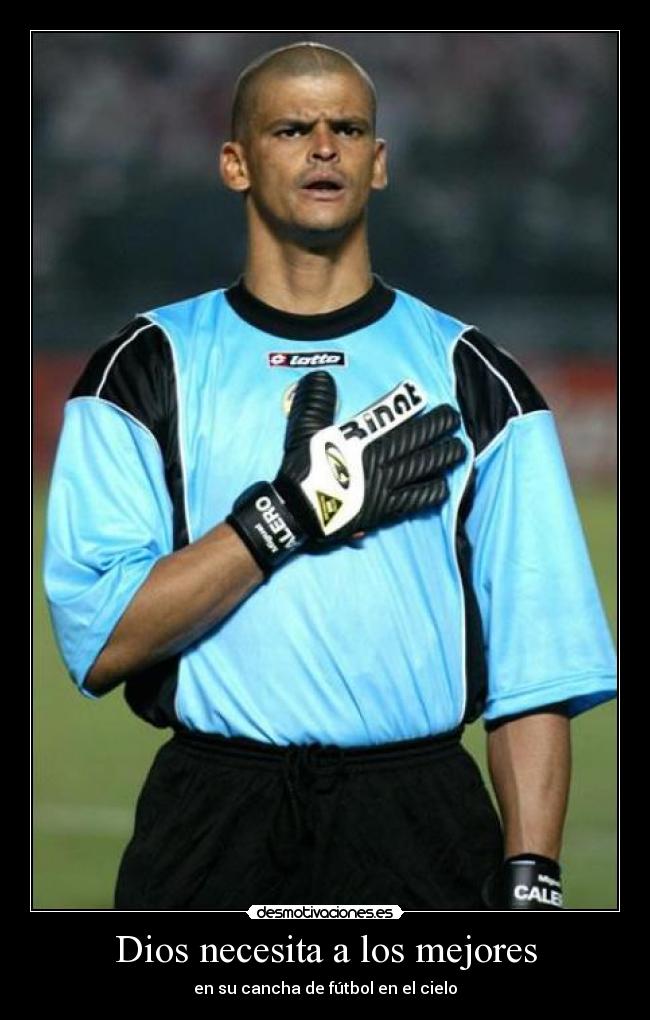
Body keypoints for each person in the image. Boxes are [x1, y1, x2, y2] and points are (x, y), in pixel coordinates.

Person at [44, 41, 616, 911]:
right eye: (291, 128)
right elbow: (103, 639)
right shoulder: (141, 370)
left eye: (348, 127)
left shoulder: (478, 380)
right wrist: (290, 513)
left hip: (422, 814)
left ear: (378, 163)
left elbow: (532, 668)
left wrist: (533, 880)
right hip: (214, 814)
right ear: (235, 161)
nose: (324, 146)